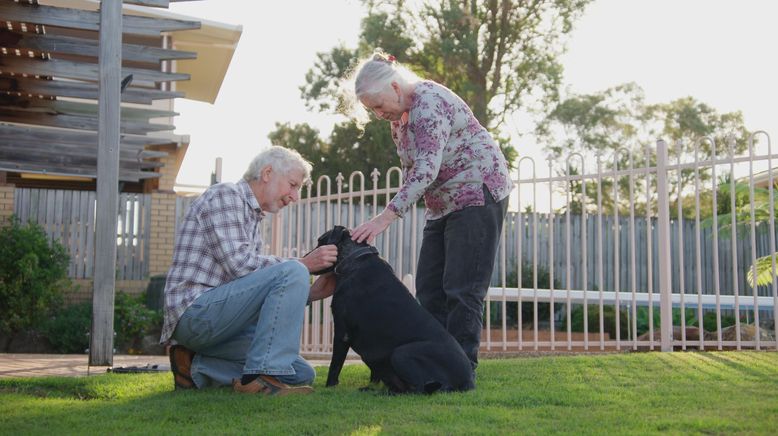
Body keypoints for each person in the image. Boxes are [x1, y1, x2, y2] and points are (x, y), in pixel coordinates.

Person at [345, 51, 513, 375]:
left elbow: (425, 170)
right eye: (372, 110)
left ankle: (462, 372)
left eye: (379, 105)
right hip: (441, 206)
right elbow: (412, 170)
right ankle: (436, 365)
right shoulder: (399, 121)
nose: (379, 114)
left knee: (462, 290)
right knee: (428, 288)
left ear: (395, 87)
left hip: (477, 194)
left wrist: (385, 217)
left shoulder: (429, 101)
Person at [160, 146, 338, 395]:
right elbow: (240, 266)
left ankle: (192, 365)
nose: (295, 197)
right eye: (293, 185)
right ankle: (261, 379)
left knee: (301, 373)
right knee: (293, 269)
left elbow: (254, 292)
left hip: (220, 322)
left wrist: (311, 294)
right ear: (267, 173)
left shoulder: (251, 217)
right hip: (195, 314)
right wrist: (303, 265)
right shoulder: (225, 196)